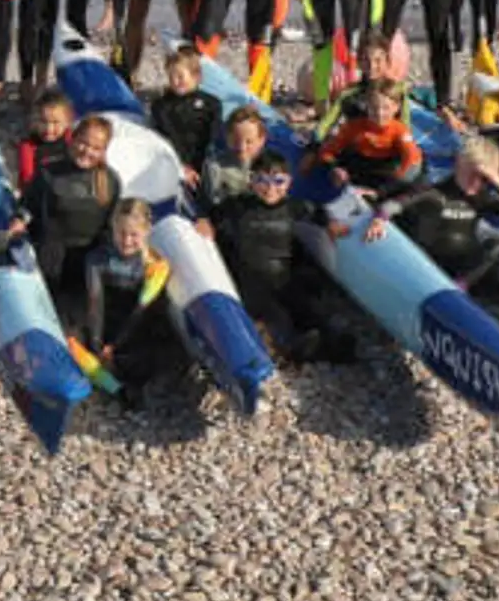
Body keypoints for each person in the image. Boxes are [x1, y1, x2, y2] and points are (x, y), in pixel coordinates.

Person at [198, 153, 354, 363]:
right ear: (251, 180)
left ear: (289, 183)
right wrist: (203, 221)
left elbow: (320, 214)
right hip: (250, 283)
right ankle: (288, 350)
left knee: (309, 310)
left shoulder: (295, 207)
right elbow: (209, 215)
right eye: (262, 180)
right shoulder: (236, 206)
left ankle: (330, 344)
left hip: (283, 277)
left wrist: (331, 224)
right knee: (276, 318)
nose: (271, 188)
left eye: (278, 181)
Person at [367, 134, 499, 286]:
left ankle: (460, 288)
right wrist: (379, 219)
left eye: (482, 176)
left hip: (460, 267)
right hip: (425, 260)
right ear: (459, 165)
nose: (475, 180)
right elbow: (393, 205)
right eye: (470, 173)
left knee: (497, 246)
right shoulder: (435, 192)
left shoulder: (483, 198)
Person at [81, 199, 176, 408]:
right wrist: (98, 345)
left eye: (134, 235)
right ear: (112, 229)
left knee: (155, 355)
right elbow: (95, 302)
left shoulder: (157, 266)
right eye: (121, 233)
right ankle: (118, 390)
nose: (126, 241)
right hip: (105, 323)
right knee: (72, 343)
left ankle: (115, 383)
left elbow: (140, 312)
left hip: (135, 330)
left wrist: (114, 347)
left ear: (147, 232)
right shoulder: (97, 259)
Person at [17, 115, 118, 287]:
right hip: (50, 260)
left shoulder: (110, 181)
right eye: (83, 143)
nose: (87, 151)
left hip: (88, 265)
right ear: (73, 139)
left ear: (103, 152)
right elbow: (27, 206)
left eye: (96, 148)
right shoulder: (48, 172)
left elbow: (111, 226)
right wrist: (19, 220)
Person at [316, 80, 424, 192]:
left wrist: (383, 190)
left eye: (385, 108)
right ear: (367, 106)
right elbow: (327, 151)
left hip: (385, 177)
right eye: (374, 107)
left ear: (396, 107)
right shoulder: (353, 127)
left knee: (414, 180)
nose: (379, 113)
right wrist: (335, 169)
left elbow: (412, 159)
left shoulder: (400, 131)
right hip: (359, 174)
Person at [149, 45, 222, 193]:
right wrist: (181, 166)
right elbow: (163, 139)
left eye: (180, 76)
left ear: (196, 76)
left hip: (205, 163)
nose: (175, 82)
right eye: (171, 77)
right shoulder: (162, 106)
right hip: (176, 163)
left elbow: (216, 137)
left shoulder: (211, 104)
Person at [17, 89, 76, 191]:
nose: (49, 129)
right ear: (35, 120)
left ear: (67, 122)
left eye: (55, 122)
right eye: (43, 122)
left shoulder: (71, 141)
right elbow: (28, 179)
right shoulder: (29, 146)